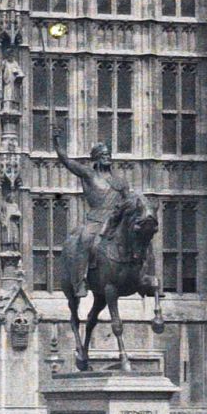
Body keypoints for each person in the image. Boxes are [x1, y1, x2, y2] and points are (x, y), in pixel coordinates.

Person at [54, 126, 132, 294]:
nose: (107, 157)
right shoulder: (89, 174)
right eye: (103, 155)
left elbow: (128, 202)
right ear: (96, 158)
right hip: (95, 220)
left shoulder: (120, 181)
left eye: (108, 155)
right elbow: (67, 161)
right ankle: (80, 281)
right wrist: (56, 142)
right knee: (84, 240)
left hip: (115, 222)